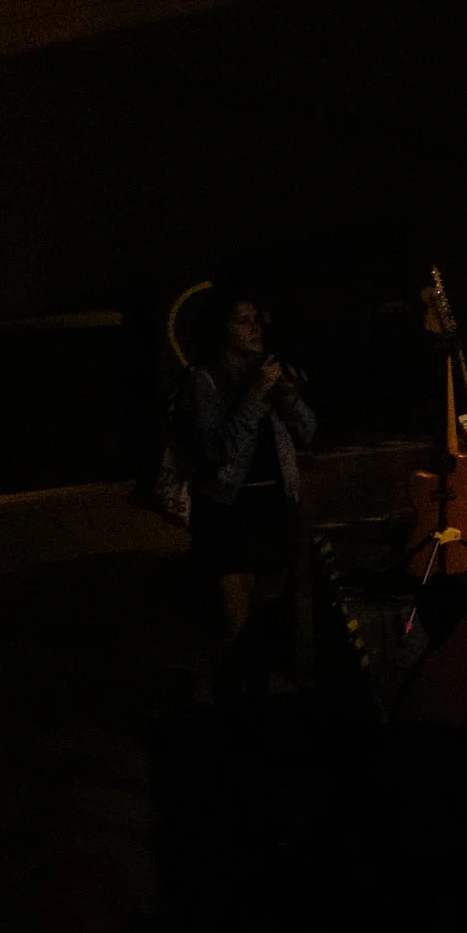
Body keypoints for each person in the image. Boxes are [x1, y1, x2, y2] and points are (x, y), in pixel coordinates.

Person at [169, 290, 315, 698]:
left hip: (273, 505)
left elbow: (307, 432)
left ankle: (259, 704)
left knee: (266, 621)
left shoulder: (269, 370)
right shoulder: (205, 380)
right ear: (221, 330)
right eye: (242, 321)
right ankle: (228, 707)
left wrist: (288, 397)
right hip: (227, 511)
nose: (254, 329)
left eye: (257, 319)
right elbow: (220, 451)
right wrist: (254, 395)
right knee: (235, 623)